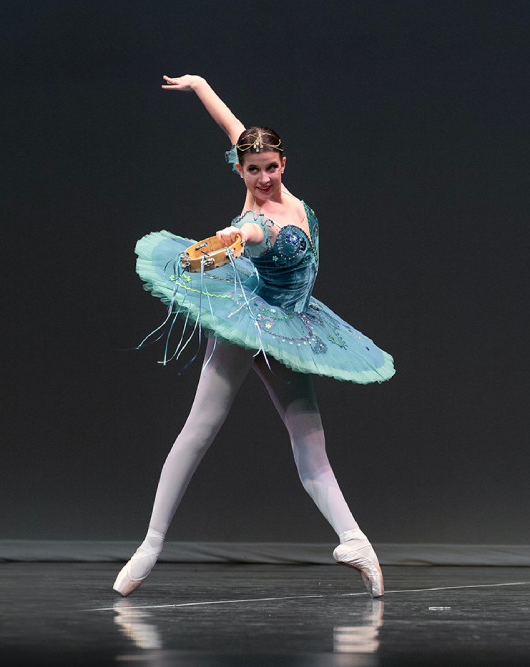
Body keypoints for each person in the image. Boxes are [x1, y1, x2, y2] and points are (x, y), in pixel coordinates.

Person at [116, 75, 394, 598]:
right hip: (250, 321)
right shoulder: (257, 224)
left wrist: (200, 86)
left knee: (310, 442)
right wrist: (220, 244)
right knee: (201, 426)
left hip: (292, 324)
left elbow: (233, 126)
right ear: (239, 170)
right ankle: (150, 545)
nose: (262, 178)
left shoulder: (275, 180)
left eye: (270, 168)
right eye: (252, 170)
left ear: (282, 163)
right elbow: (235, 239)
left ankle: (355, 541)